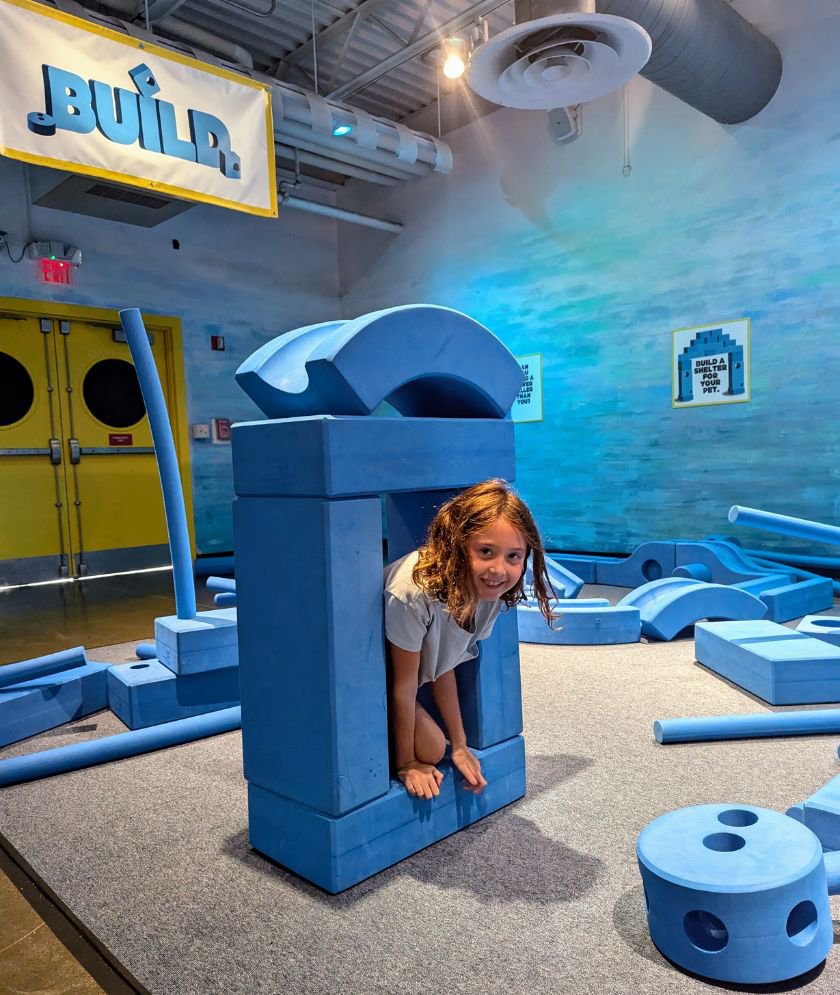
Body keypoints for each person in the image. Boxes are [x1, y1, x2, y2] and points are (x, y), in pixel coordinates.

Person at [383, 478, 557, 801]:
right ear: (458, 544)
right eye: (486, 551)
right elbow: (403, 685)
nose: (498, 570)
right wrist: (407, 763)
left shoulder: (488, 593)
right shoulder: (413, 593)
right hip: (373, 681)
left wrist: (460, 745)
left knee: (438, 746)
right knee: (431, 749)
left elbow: (443, 664)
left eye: (513, 556)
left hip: (405, 678)